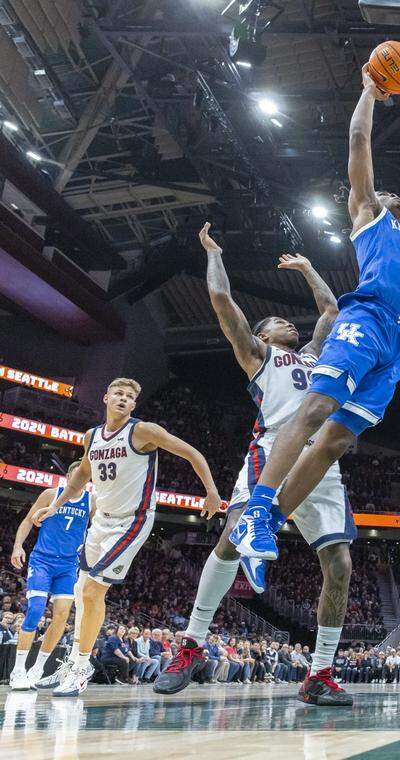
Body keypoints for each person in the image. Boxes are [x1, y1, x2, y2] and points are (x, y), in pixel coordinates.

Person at [228, 67, 400, 566]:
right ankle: (254, 511)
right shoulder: (368, 215)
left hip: (397, 344)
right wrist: (369, 91)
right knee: (314, 409)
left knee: (336, 440)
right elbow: (358, 139)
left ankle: (266, 526)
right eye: (382, 193)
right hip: (367, 318)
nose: (389, 194)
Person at [153, 225, 353, 707]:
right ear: (264, 334)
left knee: (340, 565)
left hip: (321, 463)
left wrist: (308, 270)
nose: (291, 324)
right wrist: (215, 254)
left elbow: (330, 310)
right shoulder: (258, 355)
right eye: (280, 320)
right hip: (272, 454)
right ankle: (192, 644)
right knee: (233, 534)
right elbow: (222, 301)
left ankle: (320, 673)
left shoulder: (311, 357)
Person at [32, 377, 221, 697]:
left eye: (129, 396)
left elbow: (191, 453)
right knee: (80, 592)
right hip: (101, 521)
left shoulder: (143, 431)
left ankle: (80, 667)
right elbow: (79, 477)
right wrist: (54, 507)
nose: (122, 399)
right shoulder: (92, 437)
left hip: (131, 522)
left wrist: (212, 491)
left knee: (93, 591)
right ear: (105, 397)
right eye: (117, 393)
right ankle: (76, 660)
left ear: (134, 404)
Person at [7, 461, 93, 689]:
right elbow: (27, 521)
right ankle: (18, 670)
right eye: (76, 477)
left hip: (68, 565)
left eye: (83, 478)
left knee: (62, 617)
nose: (79, 482)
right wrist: (18, 546)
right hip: (42, 560)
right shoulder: (50, 494)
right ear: (67, 478)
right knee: (35, 611)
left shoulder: (91, 501)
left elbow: (101, 526)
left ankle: (36, 670)